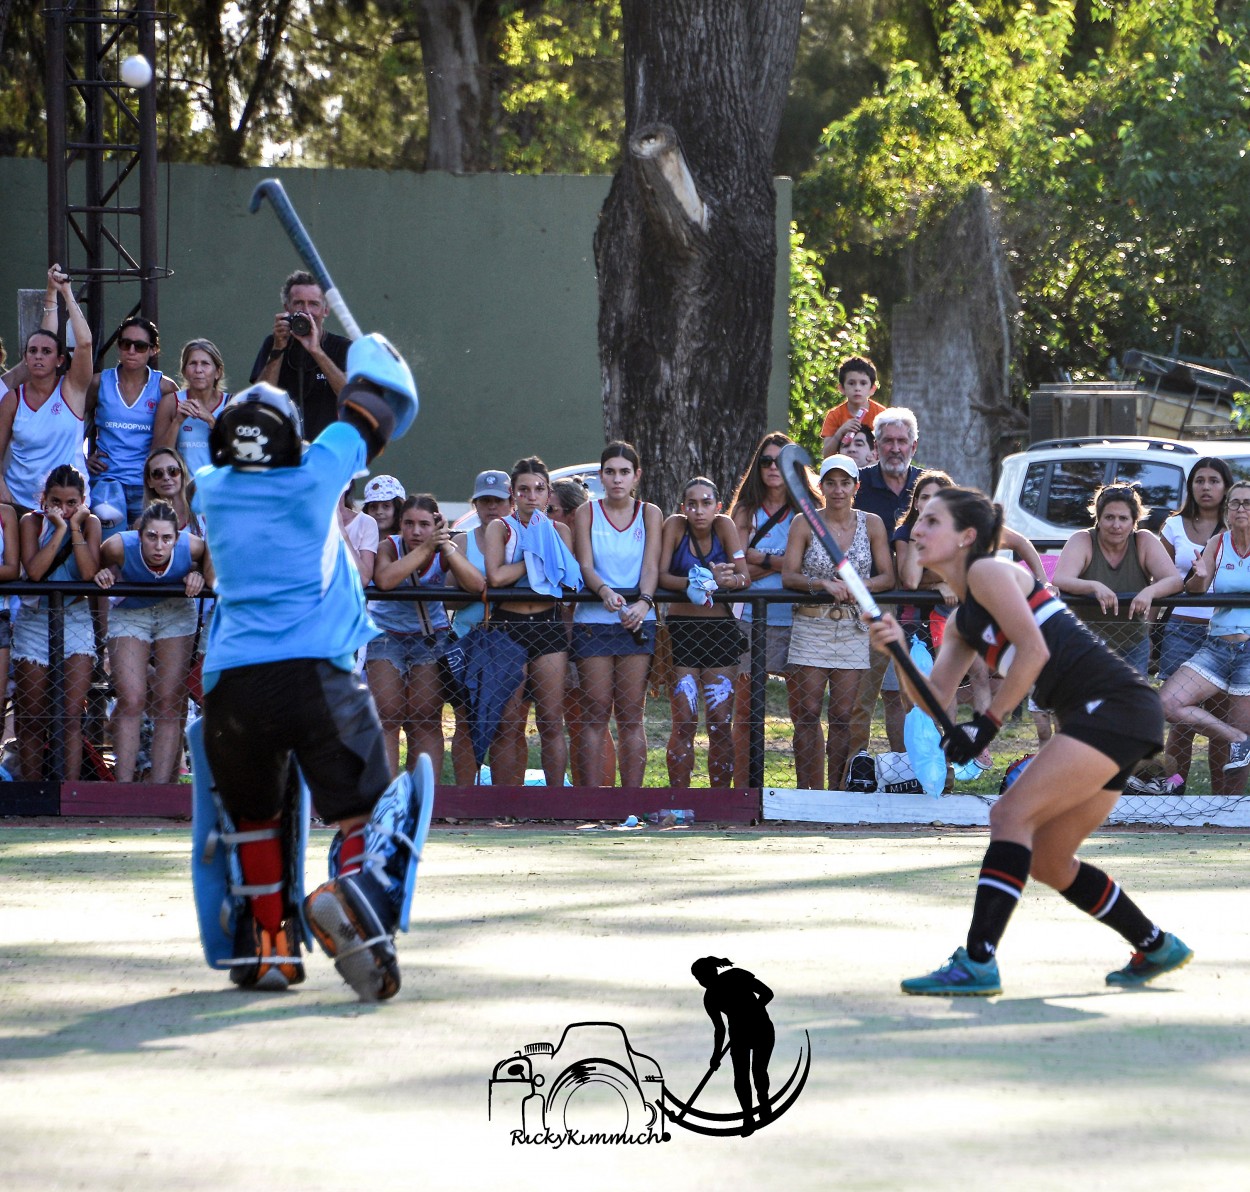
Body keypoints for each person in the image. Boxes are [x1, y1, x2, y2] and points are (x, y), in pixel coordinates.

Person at [870, 486, 1192, 995]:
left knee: (1008, 815)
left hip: (1113, 706)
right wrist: (897, 654)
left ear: (966, 537)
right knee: (1048, 860)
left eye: (933, 521)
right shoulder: (960, 622)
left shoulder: (988, 571)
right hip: (1116, 717)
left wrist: (989, 723)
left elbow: (1034, 650)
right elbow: (930, 700)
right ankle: (1155, 944)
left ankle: (978, 960)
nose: (918, 529)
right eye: (919, 520)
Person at [192, 331, 420, 1001]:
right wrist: (369, 352)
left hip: (234, 685)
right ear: (292, 439)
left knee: (255, 819)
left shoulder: (212, 490)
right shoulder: (318, 472)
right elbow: (382, 407)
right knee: (361, 813)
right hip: (317, 673)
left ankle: (268, 945)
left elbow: (368, 412)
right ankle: (350, 901)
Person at [782, 454, 894, 790]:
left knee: (844, 714)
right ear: (821, 486)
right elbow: (789, 575)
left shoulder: (871, 523)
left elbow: (888, 576)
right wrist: (822, 585)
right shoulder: (805, 522)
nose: (838, 489)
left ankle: (838, 791)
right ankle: (807, 790)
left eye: (845, 482)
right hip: (811, 623)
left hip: (852, 626)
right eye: (830, 482)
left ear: (856, 487)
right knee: (807, 711)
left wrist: (857, 587)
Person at [93, 499, 210, 782]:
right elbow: (95, 566)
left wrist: (197, 574)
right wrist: (106, 572)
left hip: (175, 611)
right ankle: (123, 789)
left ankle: (159, 791)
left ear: (177, 539)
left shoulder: (192, 546)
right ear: (139, 534)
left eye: (167, 538)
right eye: (152, 536)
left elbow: (209, 564)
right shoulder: (118, 545)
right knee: (132, 698)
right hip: (130, 612)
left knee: (170, 701)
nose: (159, 546)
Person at [368, 493, 484, 779]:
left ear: (436, 524)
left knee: (426, 718)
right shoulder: (389, 546)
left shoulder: (445, 549)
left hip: (429, 639)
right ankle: (384, 796)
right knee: (388, 715)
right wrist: (426, 548)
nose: (416, 531)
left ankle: (426, 799)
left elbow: (476, 585)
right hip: (386, 637)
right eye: (408, 523)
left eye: (423, 524)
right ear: (400, 524)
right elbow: (384, 580)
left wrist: (446, 548)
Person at [484, 456, 580, 787]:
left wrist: (545, 560)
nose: (532, 496)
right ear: (513, 493)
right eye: (524, 489)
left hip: (548, 626)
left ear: (548, 492)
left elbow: (564, 583)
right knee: (508, 721)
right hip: (507, 628)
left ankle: (556, 801)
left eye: (539, 489)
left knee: (551, 719)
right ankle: (505, 800)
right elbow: (495, 576)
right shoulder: (501, 527)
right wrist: (535, 559)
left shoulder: (559, 530)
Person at [571, 441, 662, 787]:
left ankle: (632, 802)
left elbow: (651, 565)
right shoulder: (586, 513)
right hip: (593, 622)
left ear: (636, 475)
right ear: (600, 476)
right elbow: (585, 565)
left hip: (638, 622)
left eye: (625, 472)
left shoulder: (650, 513)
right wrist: (604, 591)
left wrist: (644, 602)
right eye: (610, 472)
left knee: (630, 716)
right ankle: (593, 801)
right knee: (594, 713)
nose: (617, 479)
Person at [728, 431, 813, 780]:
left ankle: (811, 794)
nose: (773, 468)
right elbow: (738, 567)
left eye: (780, 461)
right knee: (746, 711)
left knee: (805, 713)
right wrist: (786, 562)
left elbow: (810, 564)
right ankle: (742, 791)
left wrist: (761, 557)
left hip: (798, 619)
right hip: (750, 620)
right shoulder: (746, 510)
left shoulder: (809, 508)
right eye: (766, 461)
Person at [657, 476, 750, 788]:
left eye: (706, 503)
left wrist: (726, 582)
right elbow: (661, 576)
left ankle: (719, 799)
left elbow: (744, 577)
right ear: (683, 507)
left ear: (718, 506)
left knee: (720, 722)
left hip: (719, 630)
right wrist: (697, 581)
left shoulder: (724, 526)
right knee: (684, 720)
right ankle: (680, 799)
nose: (699, 510)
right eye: (692, 504)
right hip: (682, 630)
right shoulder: (675, 525)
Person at [13, 464, 102, 782]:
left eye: (71, 503)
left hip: (75, 619)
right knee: (33, 716)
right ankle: (33, 792)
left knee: (70, 716)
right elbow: (35, 572)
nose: (63, 510)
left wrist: (75, 529)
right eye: (56, 502)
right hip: (35, 620)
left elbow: (89, 572)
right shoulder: (30, 522)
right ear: (44, 499)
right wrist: (60, 530)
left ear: (82, 501)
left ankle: (71, 792)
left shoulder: (90, 524)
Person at [1159, 478, 1250, 778]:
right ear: (1227, 509)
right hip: (1218, 646)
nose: (1240, 509)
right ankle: (1239, 739)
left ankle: (1232, 819)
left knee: (1235, 764)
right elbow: (1198, 587)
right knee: (1168, 703)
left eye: (1247, 503)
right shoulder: (1218, 543)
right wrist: (1198, 575)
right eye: (1235, 503)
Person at [849, 407, 924, 756]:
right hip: (868, 604)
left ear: (914, 445)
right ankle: (854, 773)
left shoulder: (929, 486)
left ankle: (908, 771)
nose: (895, 448)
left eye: (902, 441)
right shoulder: (858, 486)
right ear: (876, 446)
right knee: (860, 696)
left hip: (918, 606)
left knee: (907, 695)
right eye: (888, 441)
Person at [1052, 484, 1181, 676]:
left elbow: (1175, 581)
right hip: (1087, 644)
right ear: (1098, 518)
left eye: (1123, 518)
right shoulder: (1083, 539)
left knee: (1131, 703)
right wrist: (1092, 586)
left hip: (1133, 642)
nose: (1116, 525)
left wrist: (1150, 592)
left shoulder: (1143, 541)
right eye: (1109, 517)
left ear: (1134, 521)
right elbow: (1061, 578)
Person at [0, 266, 92, 518]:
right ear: (25, 358)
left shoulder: (72, 389)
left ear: (60, 360)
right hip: (19, 504)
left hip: (70, 506)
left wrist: (64, 292)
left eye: (46, 352)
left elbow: (84, 343)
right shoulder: (12, 397)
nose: (38, 356)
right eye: (32, 351)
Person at [84, 315, 179, 531]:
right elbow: (71, 420)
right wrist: (81, 458)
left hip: (146, 483)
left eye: (140, 346)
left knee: (144, 549)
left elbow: (176, 438)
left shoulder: (165, 387)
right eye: (125, 344)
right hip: (107, 480)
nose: (131, 351)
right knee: (110, 549)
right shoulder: (99, 382)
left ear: (153, 350)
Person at [250, 269, 349, 440]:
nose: (306, 311)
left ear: (326, 310)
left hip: (326, 448)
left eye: (313, 304)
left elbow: (350, 395)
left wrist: (316, 351)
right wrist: (278, 348)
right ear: (286, 308)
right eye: (298, 304)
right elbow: (260, 400)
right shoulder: (273, 343)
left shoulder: (342, 347)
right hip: (281, 448)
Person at [691, 956, 775, 1137]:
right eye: (698, 979)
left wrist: (752, 1012)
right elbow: (719, 1029)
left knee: (758, 1071)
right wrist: (715, 1055)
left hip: (761, 1029)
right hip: (738, 1036)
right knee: (741, 1077)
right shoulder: (709, 999)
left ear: (711, 972)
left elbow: (767, 993)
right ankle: (748, 1117)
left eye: (701, 977)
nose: (701, 982)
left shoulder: (736, 976)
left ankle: (764, 1102)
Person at [155, 338, 232, 475]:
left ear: (218, 372)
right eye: (192, 364)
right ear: (184, 371)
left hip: (219, 489)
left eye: (205, 364)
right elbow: (157, 457)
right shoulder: (171, 402)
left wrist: (211, 420)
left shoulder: (230, 404)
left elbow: (237, 453)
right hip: (183, 490)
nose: (198, 370)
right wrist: (177, 422)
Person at [819, 355, 886, 458]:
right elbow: (827, 455)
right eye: (851, 383)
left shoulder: (882, 415)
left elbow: (887, 450)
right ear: (841, 388)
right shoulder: (834, 415)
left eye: (863, 383)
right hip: (844, 468)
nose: (857, 388)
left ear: (872, 389)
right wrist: (840, 432)